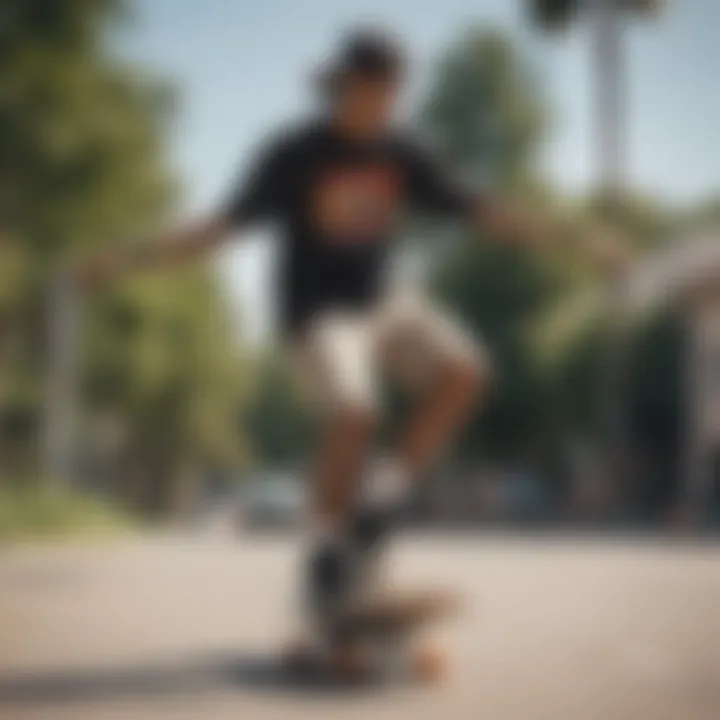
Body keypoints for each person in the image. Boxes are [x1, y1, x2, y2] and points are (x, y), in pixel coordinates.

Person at [80, 27, 628, 641]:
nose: (365, 103)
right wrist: (130, 257)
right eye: (355, 90)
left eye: (379, 92)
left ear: (392, 93)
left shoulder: (404, 153)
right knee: (354, 406)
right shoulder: (294, 154)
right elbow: (220, 227)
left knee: (465, 371)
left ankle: (376, 509)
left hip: (384, 304)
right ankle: (324, 551)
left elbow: (484, 212)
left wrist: (576, 239)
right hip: (316, 315)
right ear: (341, 86)